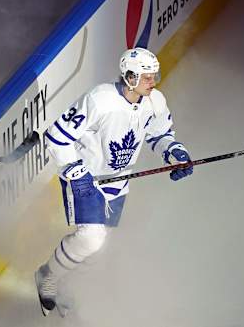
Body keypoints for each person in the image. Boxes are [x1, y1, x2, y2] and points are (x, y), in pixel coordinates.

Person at [35, 47, 194, 317]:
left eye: (153, 76)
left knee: (97, 247)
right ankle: (46, 276)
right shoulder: (100, 101)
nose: (152, 82)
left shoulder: (155, 101)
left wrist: (175, 152)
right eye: (146, 77)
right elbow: (56, 136)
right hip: (86, 180)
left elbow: (160, 134)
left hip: (118, 182)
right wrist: (76, 171)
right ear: (130, 77)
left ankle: (64, 283)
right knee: (91, 238)